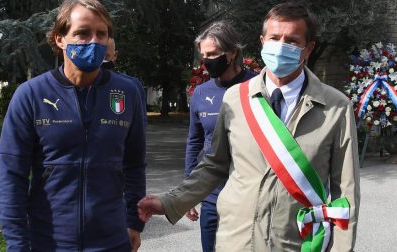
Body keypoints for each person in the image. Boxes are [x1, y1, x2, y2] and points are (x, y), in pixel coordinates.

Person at [138, 2, 360, 251]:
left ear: (308, 48)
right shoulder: (236, 98)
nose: (281, 46)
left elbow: (345, 197)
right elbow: (214, 165)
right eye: (275, 38)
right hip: (237, 240)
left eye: (292, 41)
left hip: (296, 244)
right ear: (263, 41)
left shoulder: (336, 108)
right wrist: (171, 202)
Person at [0, 0, 146, 251]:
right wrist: (17, 244)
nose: (94, 41)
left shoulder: (127, 92)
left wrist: (134, 222)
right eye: (82, 33)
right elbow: (12, 175)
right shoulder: (31, 94)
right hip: (49, 241)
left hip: (111, 241)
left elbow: (135, 163)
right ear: (59, 39)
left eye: (102, 34)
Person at [184, 20, 256, 252]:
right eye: (204, 55)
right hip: (212, 193)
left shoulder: (258, 86)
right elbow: (194, 142)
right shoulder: (201, 93)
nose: (207, 61)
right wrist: (188, 192)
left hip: (249, 193)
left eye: (213, 54)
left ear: (232, 52)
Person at [102, 38, 147, 126]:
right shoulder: (76, 83)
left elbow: (139, 127)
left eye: (105, 57)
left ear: (115, 56)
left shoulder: (132, 86)